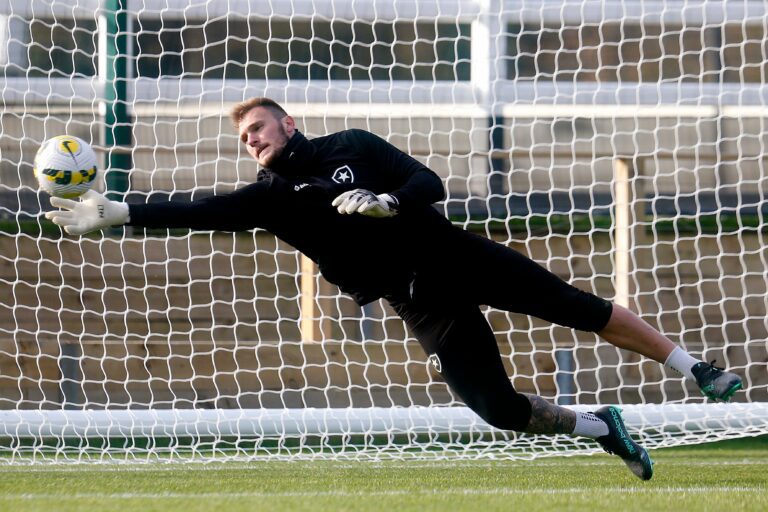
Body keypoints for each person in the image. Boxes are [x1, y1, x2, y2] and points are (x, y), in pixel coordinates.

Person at [46, 97, 743, 480]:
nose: (253, 142)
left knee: (577, 308)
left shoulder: (352, 146)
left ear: (288, 122)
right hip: (421, 300)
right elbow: (202, 210)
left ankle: (696, 369)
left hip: (452, 253)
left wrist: (387, 203)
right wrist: (120, 213)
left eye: (258, 128)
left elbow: (430, 184)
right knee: (496, 410)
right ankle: (601, 427)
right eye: (246, 140)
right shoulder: (273, 197)